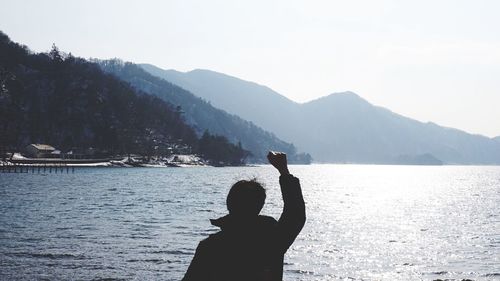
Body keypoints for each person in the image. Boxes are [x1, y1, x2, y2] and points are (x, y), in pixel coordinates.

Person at [182, 151, 306, 281]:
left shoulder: (210, 247)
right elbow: (295, 214)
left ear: (229, 204)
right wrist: (284, 171)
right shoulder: (272, 239)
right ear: (260, 205)